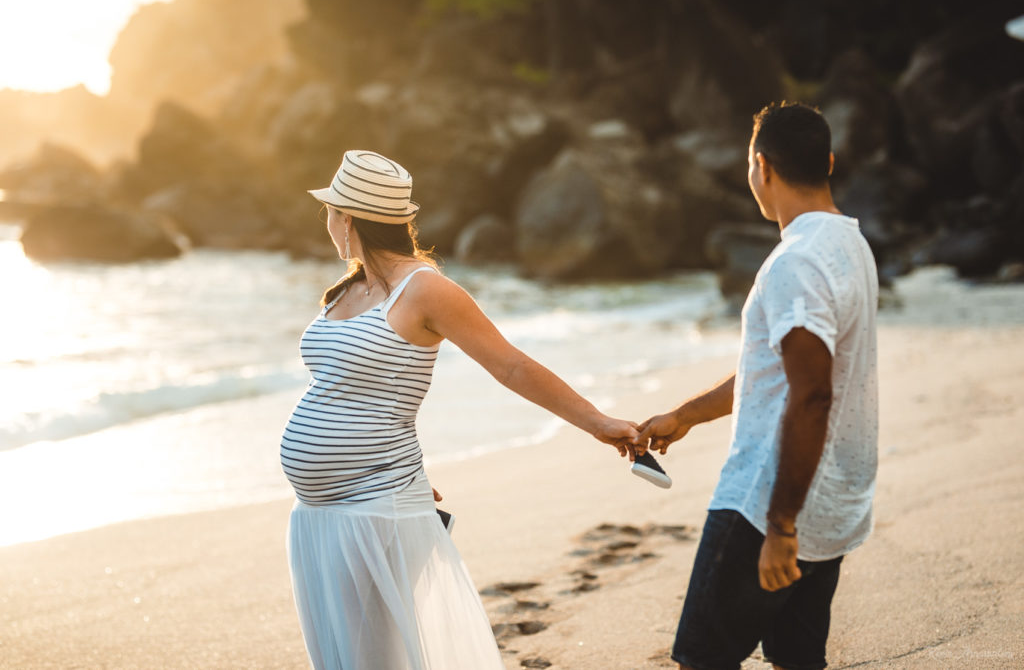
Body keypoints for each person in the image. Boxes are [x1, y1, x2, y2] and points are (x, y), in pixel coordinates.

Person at [280, 149, 639, 669]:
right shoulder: (350, 288)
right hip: (317, 513)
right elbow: (357, 389)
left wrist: (599, 423)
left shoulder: (425, 289)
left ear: (349, 218)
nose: (327, 224)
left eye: (331, 212)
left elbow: (510, 366)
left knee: (375, 661)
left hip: (375, 505)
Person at [638, 102, 879, 670]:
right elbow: (784, 372)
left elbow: (812, 393)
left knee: (703, 659)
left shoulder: (796, 261)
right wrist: (686, 415)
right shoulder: (851, 245)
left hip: (768, 505)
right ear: (828, 163)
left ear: (762, 167)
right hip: (834, 501)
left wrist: (780, 526)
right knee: (798, 660)